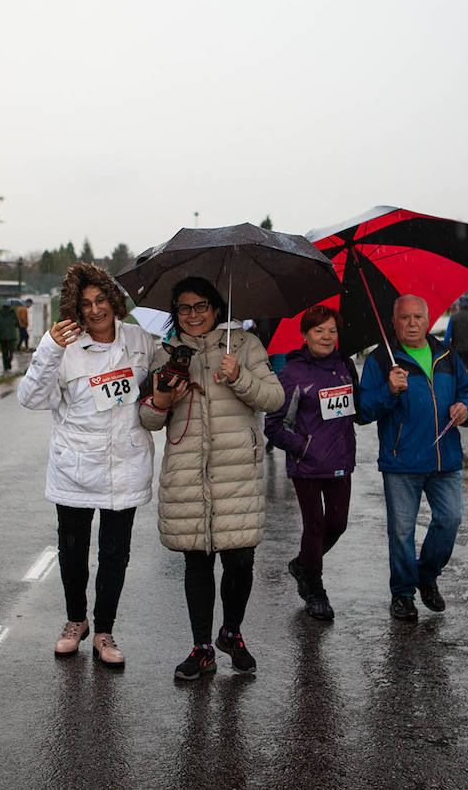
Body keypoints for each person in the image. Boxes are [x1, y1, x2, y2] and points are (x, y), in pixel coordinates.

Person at [138, 277, 284, 680]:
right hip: (187, 473)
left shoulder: (245, 345)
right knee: (197, 564)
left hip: (237, 471)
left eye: (201, 306)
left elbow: (274, 399)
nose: (194, 314)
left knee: (240, 560)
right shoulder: (164, 354)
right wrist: (165, 398)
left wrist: (239, 376)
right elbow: (148, 418)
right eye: (184, 308)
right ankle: (201, 647)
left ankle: (231, 633)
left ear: (216, 308)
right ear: (175, 313)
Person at [17, 263, 155, 669]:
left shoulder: (139, 341)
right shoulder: (63, 346)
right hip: (75, 466)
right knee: (73, 551)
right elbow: (30, 398)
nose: (95, 311)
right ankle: (75, 620)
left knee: (115, 554)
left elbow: (155, 384)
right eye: (85, 305)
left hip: (125, 464)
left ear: (114, 301)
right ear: (74, 310)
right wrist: (49, 348)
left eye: (100, 301)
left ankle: (104, 630)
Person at [359, 294, 468, 622]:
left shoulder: (447, 355)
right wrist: (389, 391)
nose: (412, 323)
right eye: (405, 318)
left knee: (450, 519)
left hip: (445, 457)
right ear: (393, 322)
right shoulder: (381, 360)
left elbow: (467, 388)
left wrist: (464, 405)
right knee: (401, 531)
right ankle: (403, 594)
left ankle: (427, 574)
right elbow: (364, 411)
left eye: (418, 317)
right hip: (401, 461)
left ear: (429, 320)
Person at [263, 305, 358, 621]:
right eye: (319, 330)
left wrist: (390, 388)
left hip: (340, 460)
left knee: (338, 524)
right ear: (305, 335)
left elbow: (360, 411)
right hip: (307, 464)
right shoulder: (292, 372)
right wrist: (302, 448)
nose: (327, 336)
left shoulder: (345, 365)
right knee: (314, 526)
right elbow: (273, 425)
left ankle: (303, 563)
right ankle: (314, 590)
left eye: (332, 330)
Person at [0, 302, 19, 373]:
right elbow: (17, 324)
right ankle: (9, 361)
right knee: (11, 351)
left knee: (4, 352)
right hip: (11, 336)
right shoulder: (13, 314)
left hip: (2, 336)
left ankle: (5, 367)